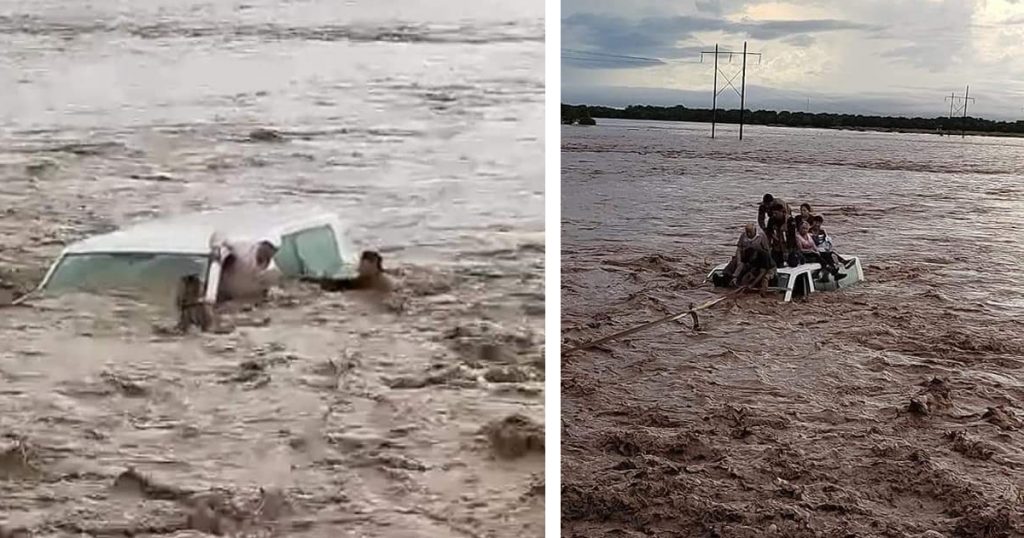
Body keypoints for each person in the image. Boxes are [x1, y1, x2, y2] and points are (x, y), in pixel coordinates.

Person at [211, 235, 282, 303]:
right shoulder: (243, 248)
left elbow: (274, 282)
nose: (269, 252)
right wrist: (216, 249)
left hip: (239, 296)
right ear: (262, 244)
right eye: (268, 247)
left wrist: (273, 289)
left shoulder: (271, 266)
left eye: (273, 251)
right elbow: (218, 236)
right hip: (224, 287)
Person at [301, 250, 392, 293]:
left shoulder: (375, 280)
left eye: (362, 264)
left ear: (373, 263)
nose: (359, 268)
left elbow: (345, 285)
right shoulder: (379, 277)